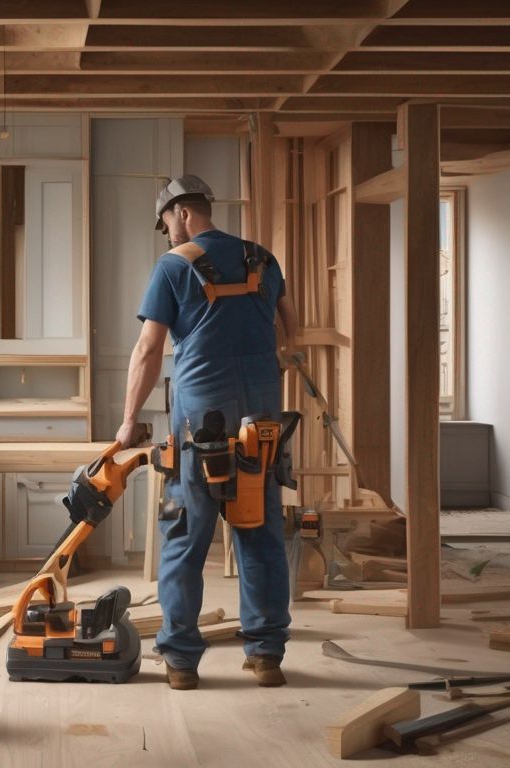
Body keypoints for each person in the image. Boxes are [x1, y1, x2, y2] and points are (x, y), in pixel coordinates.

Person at [114, 174, 299, 690]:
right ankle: (266, 655)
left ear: (182, 212)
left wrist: (128, 421)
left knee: (184, 537)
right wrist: (268, 366)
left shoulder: (174, 266)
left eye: (167, 223)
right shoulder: (263, 259)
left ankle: (180, 662)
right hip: (261, 422)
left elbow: (149, 349)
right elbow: (291, 327)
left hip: (200, 425)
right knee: (259, 532)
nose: (168, 234)